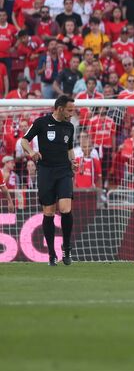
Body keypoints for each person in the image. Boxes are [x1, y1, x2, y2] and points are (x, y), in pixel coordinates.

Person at [19, 95, 78, 265]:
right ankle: (52, 253)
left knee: (66, 209)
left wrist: (72, 161)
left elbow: (69, 148)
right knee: (49, 213)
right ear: (60, 108)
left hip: (64, 171)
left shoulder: (69, 127)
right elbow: (24, 140)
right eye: (69, 110)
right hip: (45, 172)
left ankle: (66, 247)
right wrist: (31, 153)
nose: (72, 113)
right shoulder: (41, 123)